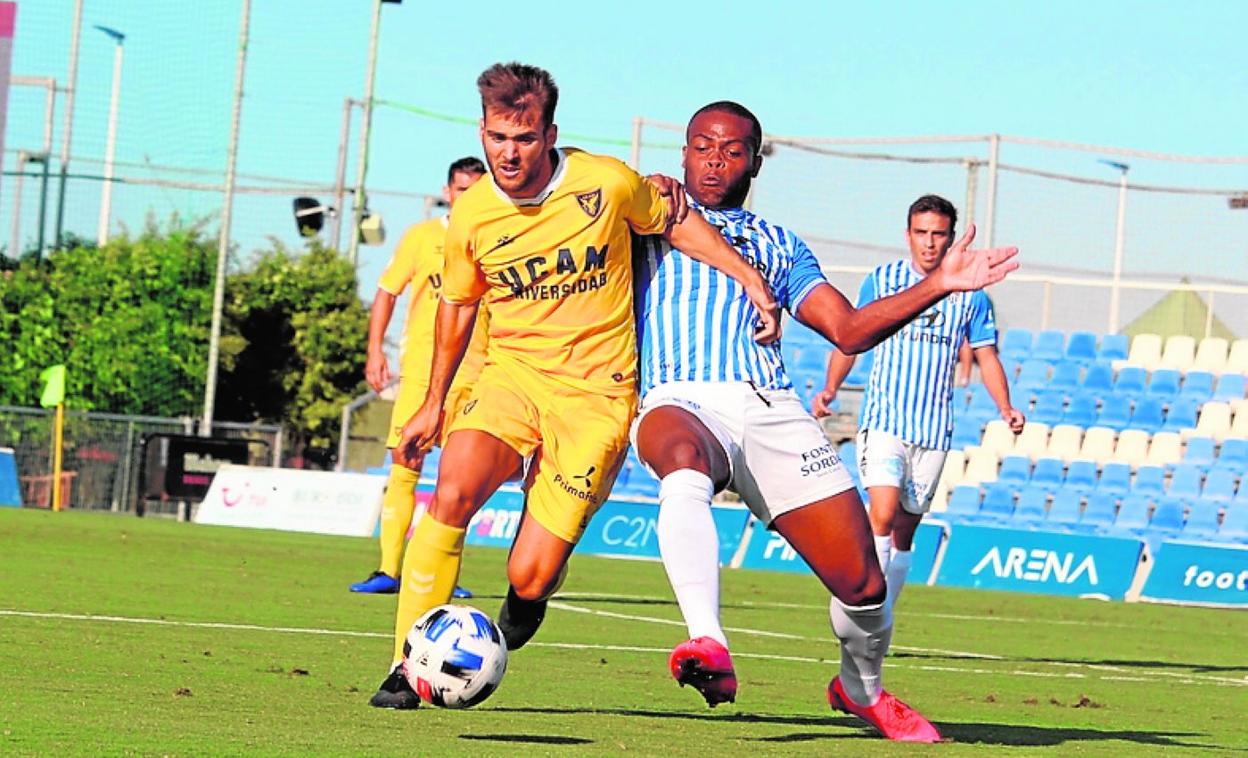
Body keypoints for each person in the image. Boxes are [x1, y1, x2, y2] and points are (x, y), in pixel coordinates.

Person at [368, 62, 781, 709]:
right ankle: (404, 664)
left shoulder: (605, 184)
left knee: (528, 572)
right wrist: (433, 403)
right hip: (510, 378)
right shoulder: (472, 216)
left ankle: (526, 602)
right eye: (499, 137)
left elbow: (673, 220)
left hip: (596, 401)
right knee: (452, 491)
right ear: (482, 131)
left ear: (550, 134)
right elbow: (458, 307)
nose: (510, 152)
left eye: (525, 138)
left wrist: (748, 277)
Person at [632, 103, 1018, 742]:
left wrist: (941, 284)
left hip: (772, 408)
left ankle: (861, 690)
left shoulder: (781, 244)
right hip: (681, 396)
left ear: (757, 160)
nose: (713, 161)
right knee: (681, 460)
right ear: (682, 153)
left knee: (864, 583)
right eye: (701, 146)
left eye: (731, 150)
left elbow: (848, 329)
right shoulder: (653, 215)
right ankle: (708, 640)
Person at [813, 195, 1025, 611]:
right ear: (908, 235)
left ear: (949, 239)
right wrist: (830, 388)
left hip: (932, 430)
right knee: (883, 513)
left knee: (904, 532)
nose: (929, 243)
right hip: (884, 422)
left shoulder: (972, 296)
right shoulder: (882, 280)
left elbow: (986, 355)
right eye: (921, 233)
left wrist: (1005, 407)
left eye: (938, 234)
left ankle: (884, 610)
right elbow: (852, 335)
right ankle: (866, 610)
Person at [350, 158, 489, 597]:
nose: (468, 197)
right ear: (448, 192)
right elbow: (387, 291)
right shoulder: (421, 237)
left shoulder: (500, 236)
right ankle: (390, 569)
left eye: (477, 190)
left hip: (478, 375)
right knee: (405, 463)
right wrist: (375, 350)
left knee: (459, 479)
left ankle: (442, 573)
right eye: (462, 189)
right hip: (421, 375)